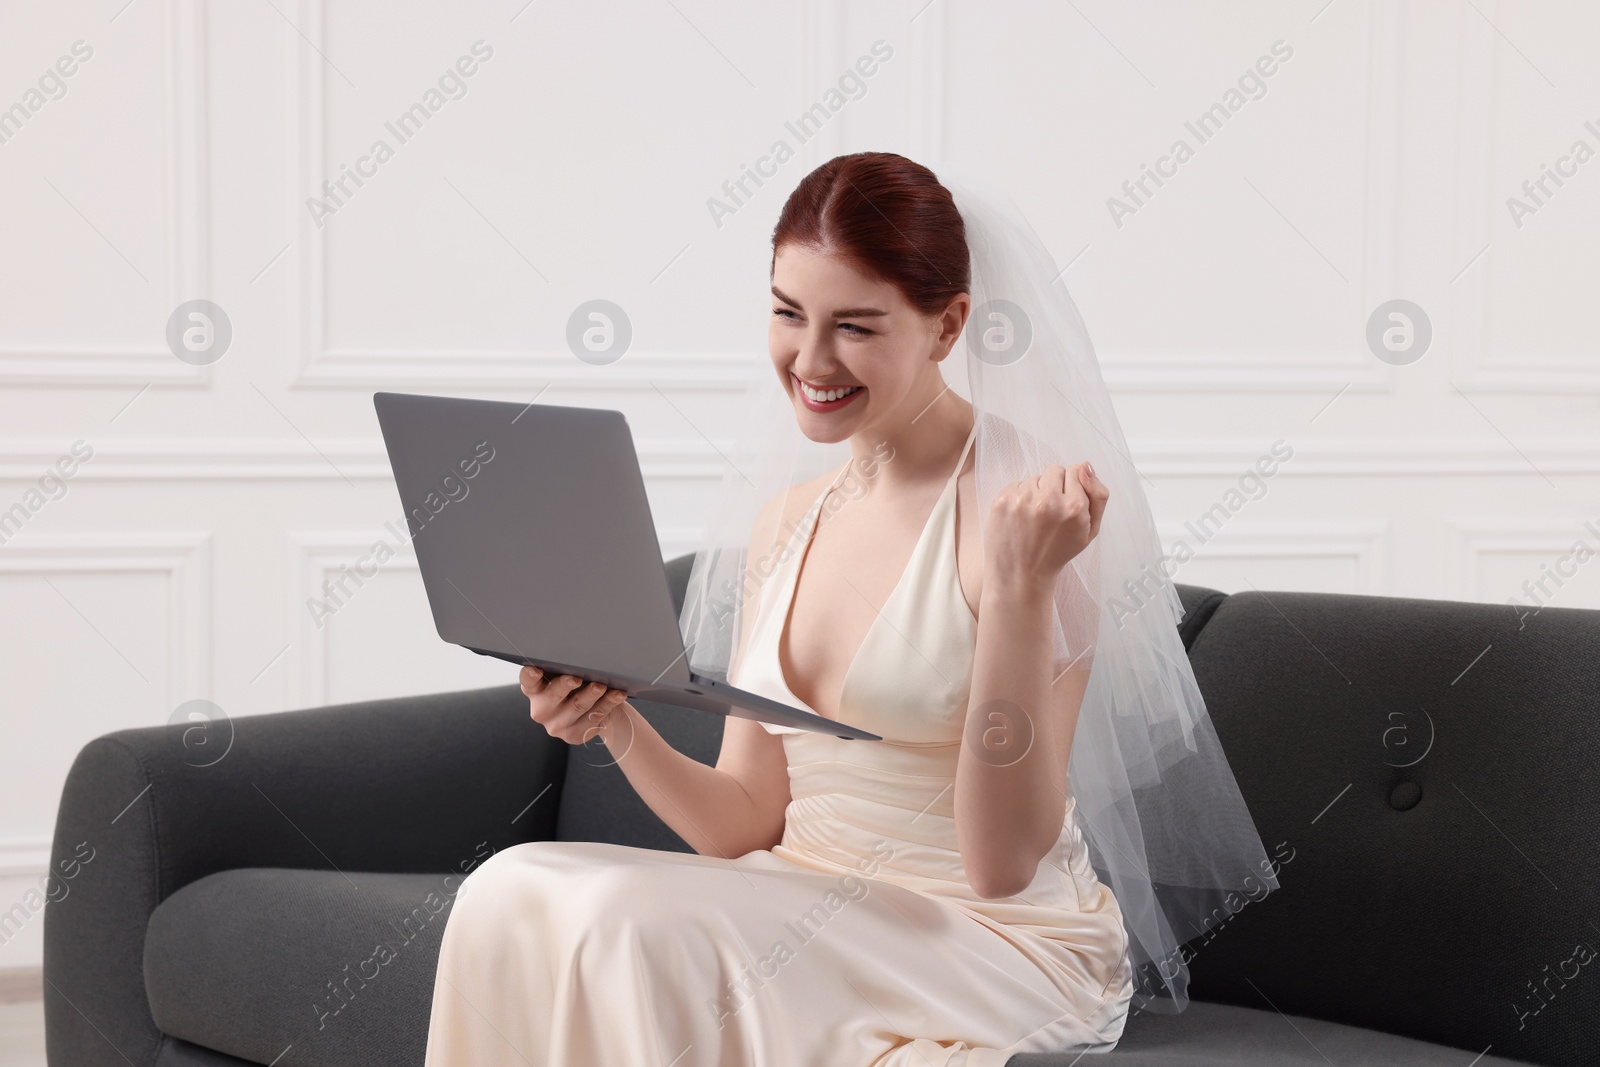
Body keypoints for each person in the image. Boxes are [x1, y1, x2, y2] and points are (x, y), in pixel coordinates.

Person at [424, 152, 1275, 1066]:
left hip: (986, 937)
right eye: (789, 313)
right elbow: (746, 820)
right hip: (802, 899)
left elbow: (1001, 863)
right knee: (509, 888)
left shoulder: (1030, 515)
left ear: (948, 326)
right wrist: (617, 720)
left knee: (627, 926)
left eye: (856, 326)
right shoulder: (787, 522)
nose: (812, 359)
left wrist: (1024, 589)